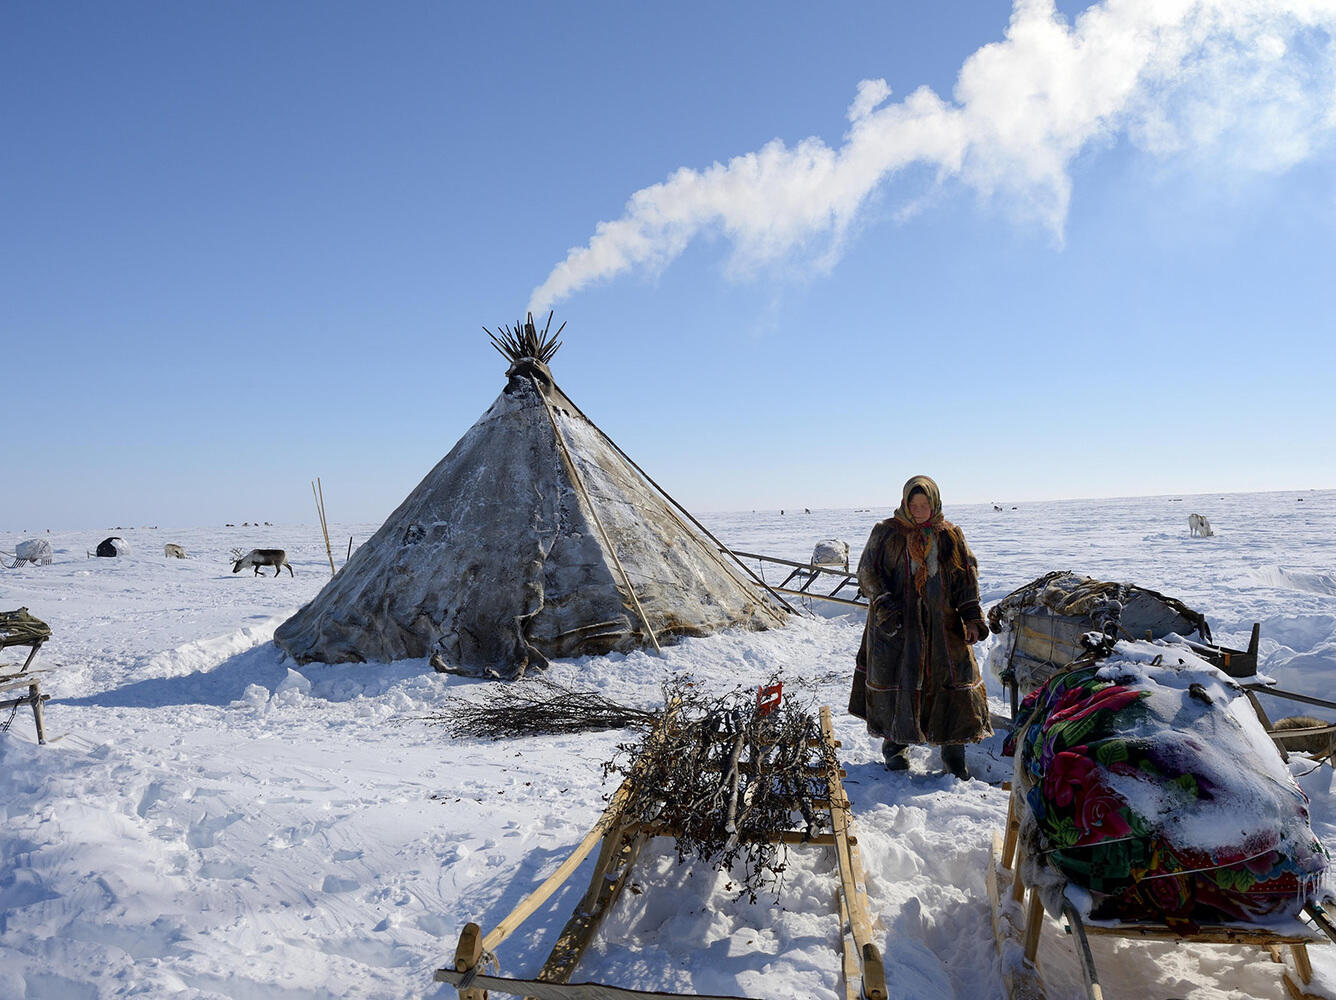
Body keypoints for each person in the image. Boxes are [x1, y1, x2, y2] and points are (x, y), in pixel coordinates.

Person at [848, 475, 992, 779]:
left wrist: (972, 618)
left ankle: (954, 756)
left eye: (925, 504)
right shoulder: (887, 533)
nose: (919, 510)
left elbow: (966, 580)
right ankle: (895, 751)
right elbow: (867, 571)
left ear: (934, 503)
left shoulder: (950, 535)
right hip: (896, 626)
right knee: (899, 683)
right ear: (905, 503)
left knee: (952, 686)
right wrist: (884, 602)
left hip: (943, 628)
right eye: (913, 504)